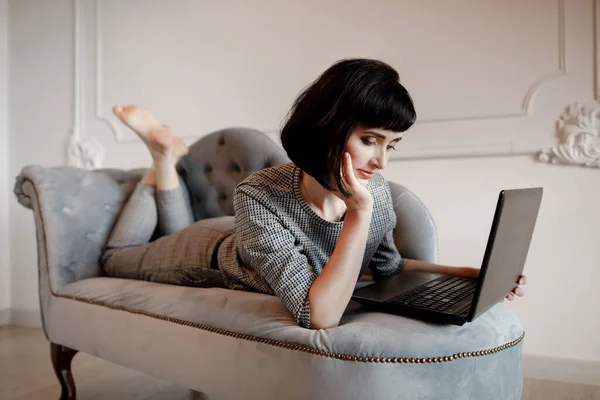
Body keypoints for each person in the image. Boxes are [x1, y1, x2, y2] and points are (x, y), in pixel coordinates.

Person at [101, 58, 526, 330]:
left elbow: (391, 266)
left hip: (249, 239)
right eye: (370, 140)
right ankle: (159, 159)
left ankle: (164, 156)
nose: (381, 163)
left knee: (173, 226)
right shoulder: (259, 195)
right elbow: (318, 315)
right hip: (207, 253)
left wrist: (472, 274)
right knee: (115, 256)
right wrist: (358, 213)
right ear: (328, 130)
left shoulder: (373, 190)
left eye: (391, 145)